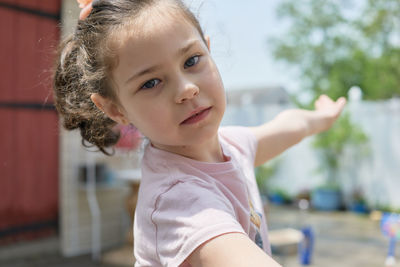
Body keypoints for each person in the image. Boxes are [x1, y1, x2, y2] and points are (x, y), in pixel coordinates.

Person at [53, 0, 346, 266]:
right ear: (116, 109)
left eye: (191, 61)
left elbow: (287, 127)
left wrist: (322, 117)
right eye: (151, 82)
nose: (186, 89)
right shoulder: (178, 201)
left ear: (208, 48)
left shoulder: (233, 146)